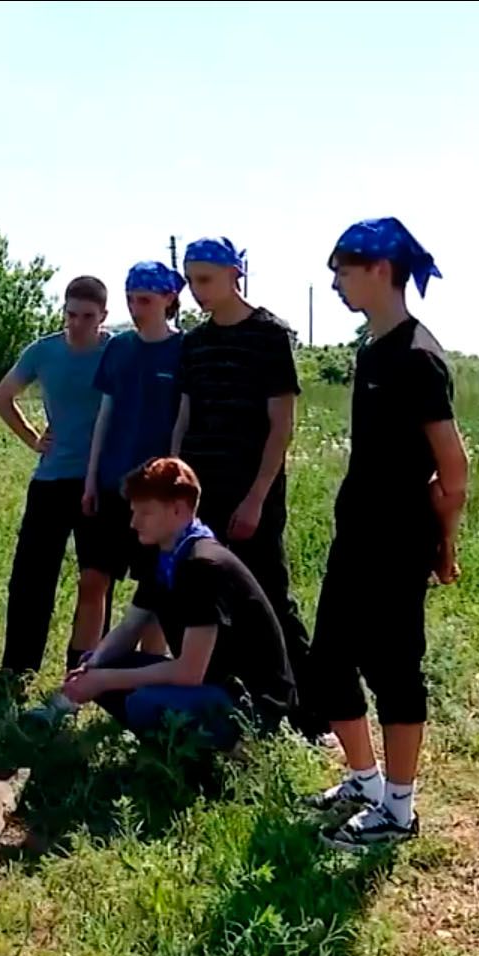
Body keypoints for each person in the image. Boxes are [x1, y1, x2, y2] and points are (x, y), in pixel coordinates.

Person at [300, 219, 469, 853]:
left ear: (380, 269)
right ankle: (365, 783)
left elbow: (452, 472)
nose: (336, 280)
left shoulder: (418, 357)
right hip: (355, 534)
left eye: (343, 267)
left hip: (397, 539)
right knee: (328, 667)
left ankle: (399, 809)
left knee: (396, 671)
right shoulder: (371, 351)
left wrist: (442, 541)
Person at [171, 238, 318, 738]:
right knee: (205, 596)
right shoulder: (194, 342)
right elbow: (184, 416)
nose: (196, 292)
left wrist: (256, 496)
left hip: (250, 487)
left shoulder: (269, 335)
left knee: (269, 594)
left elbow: (281, 424)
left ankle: (308, 712)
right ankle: (232, 702)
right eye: (190, 281)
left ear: (236, 274)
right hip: (201, 486)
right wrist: (177, 484)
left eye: (206, 280)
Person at [60, 458, 293, 754]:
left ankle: (217, 758)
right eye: (134, 512)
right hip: (213, 684)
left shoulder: (203, 566)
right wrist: (91, 667)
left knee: (141, 700)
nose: (134, 523)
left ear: (178, 509)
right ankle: (172, 747)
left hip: (251, 701)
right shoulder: (167, 556)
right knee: (105, 665)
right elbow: (131, 625)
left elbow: (189, 672)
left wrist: (104, 680)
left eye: (145, 512)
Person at [0, 275, 117, 676]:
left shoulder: (116, 351)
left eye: (87, 316)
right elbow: (2, 396)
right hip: (51, 478)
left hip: (99, 479)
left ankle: (82, 669)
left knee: (95, 578)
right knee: (31, 577)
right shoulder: (43, 351)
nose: (77, 323)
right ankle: (18, 667)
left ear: (103, 316)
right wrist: (31, 437)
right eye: (70, 314)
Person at [85, 261, 186, 593]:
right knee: (95, 578)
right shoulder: (119, 346)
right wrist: (91, 479)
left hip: (155, 486)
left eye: (145, 300)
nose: (135, 308)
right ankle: (90, 648)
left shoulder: (184, 349)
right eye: (131, 299)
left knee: (153, 588)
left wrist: (172, 482)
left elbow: (183, 420)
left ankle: (151, 649)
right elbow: (105, 413)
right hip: (113, 480)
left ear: (168, 299)